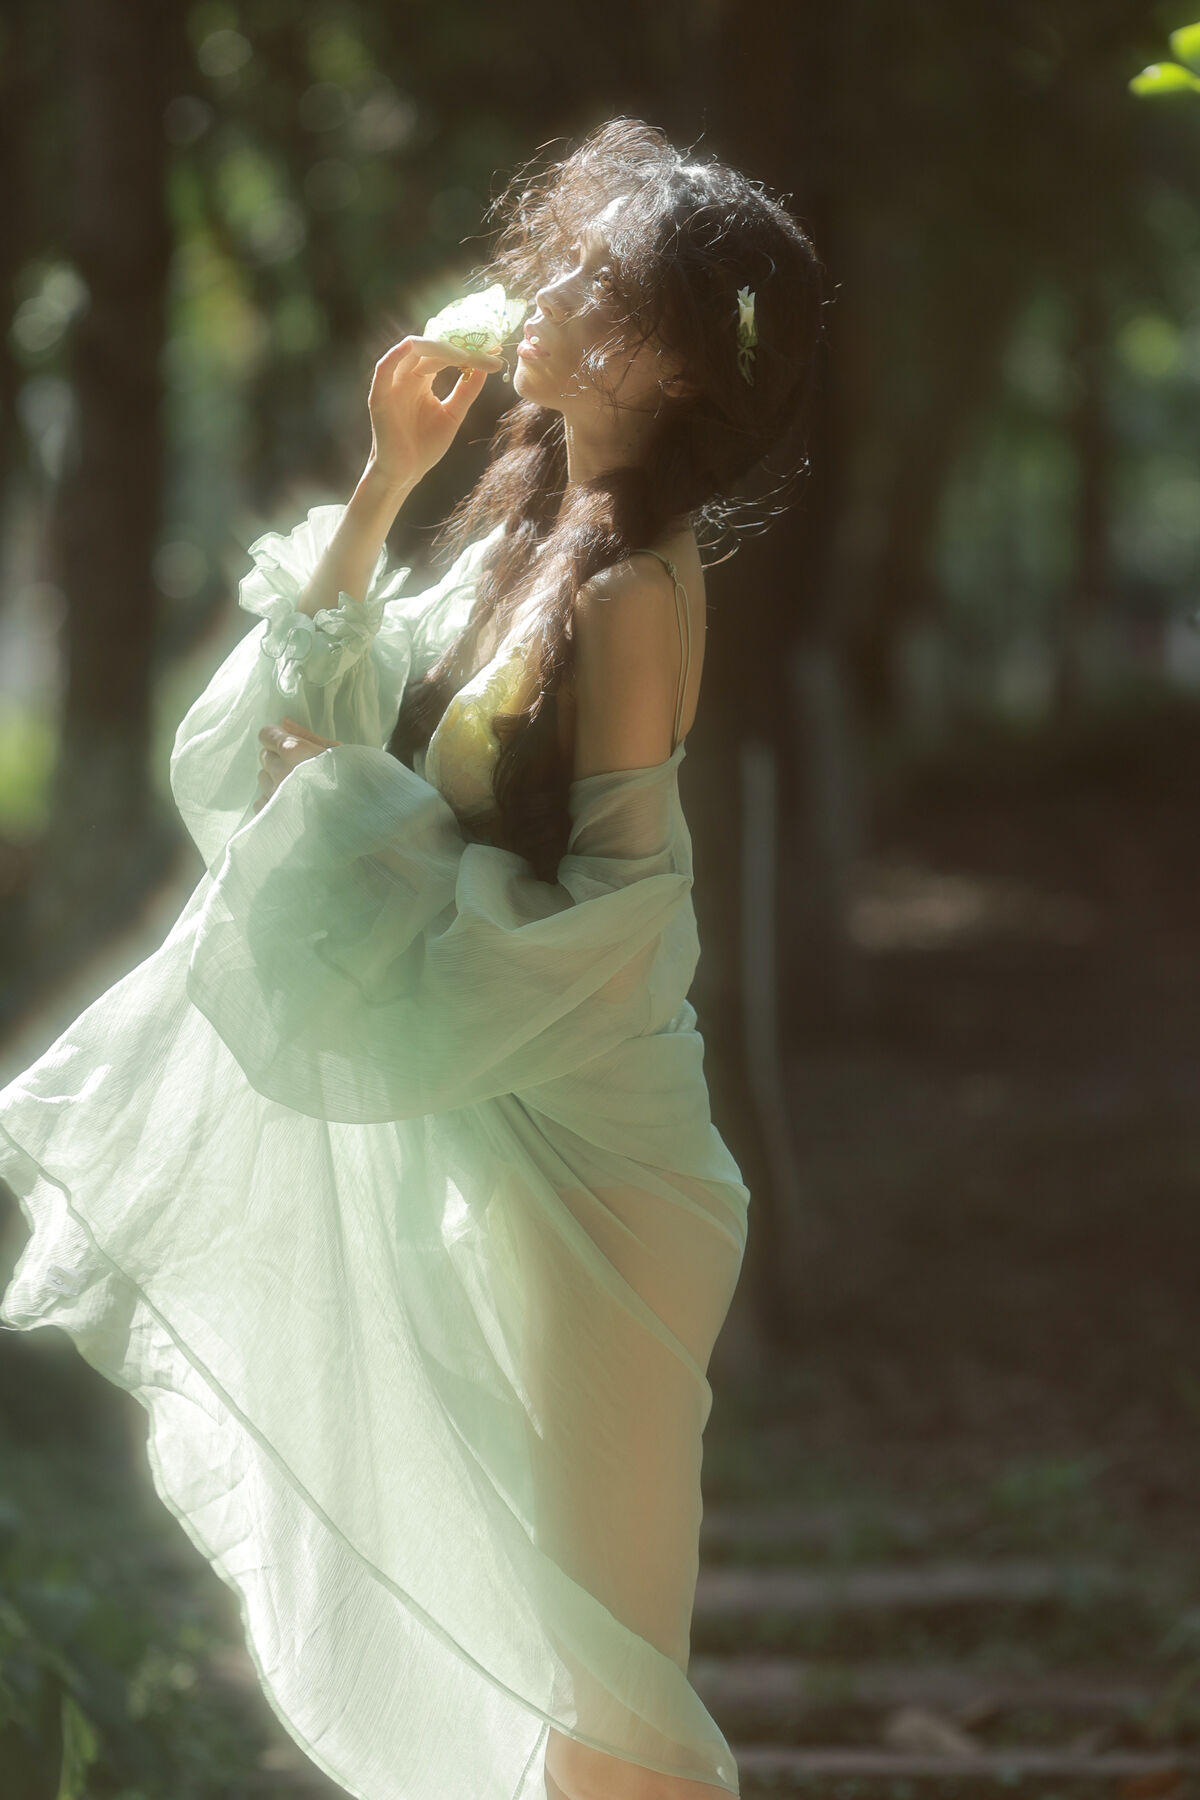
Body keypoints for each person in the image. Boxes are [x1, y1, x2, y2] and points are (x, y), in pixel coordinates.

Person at [0, 118, 825, 1800]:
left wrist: (354, 807)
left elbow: (619, 918)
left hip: (601, 1164)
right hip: (495, 1118)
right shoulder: (533, 529)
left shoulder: (633, 592)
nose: (546, 293)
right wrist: (386, 483)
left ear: (672, 365)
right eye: (559, 261)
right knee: (543, 1646)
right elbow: (315, 708)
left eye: (596, 283)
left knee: (603, 1667)